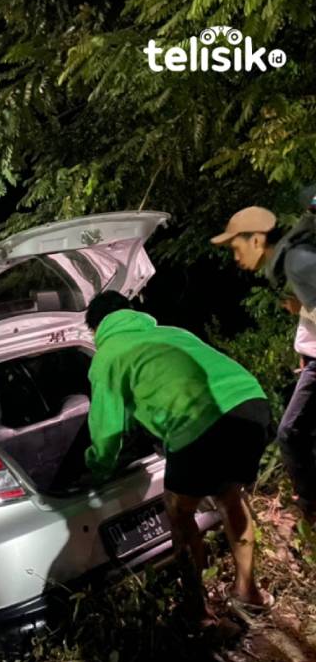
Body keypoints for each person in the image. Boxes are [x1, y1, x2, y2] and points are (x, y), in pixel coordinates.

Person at [84, 291, 273, 626]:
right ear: (131, 312)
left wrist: (98, 468)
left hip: (199, 425)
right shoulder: (172, 331)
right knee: (230, 496)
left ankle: (197, 611)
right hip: (251, 405)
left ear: (95, 329)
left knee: (179, 514)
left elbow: (107, 429)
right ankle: (248, 591)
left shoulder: (107, 355)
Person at [211, 204, 316, 525]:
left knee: (290, 432)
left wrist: (305, 311)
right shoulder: (293, 263)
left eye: (236, 247)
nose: (236, 257)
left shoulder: (297, 262)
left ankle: (310, 509)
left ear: (256, 240)